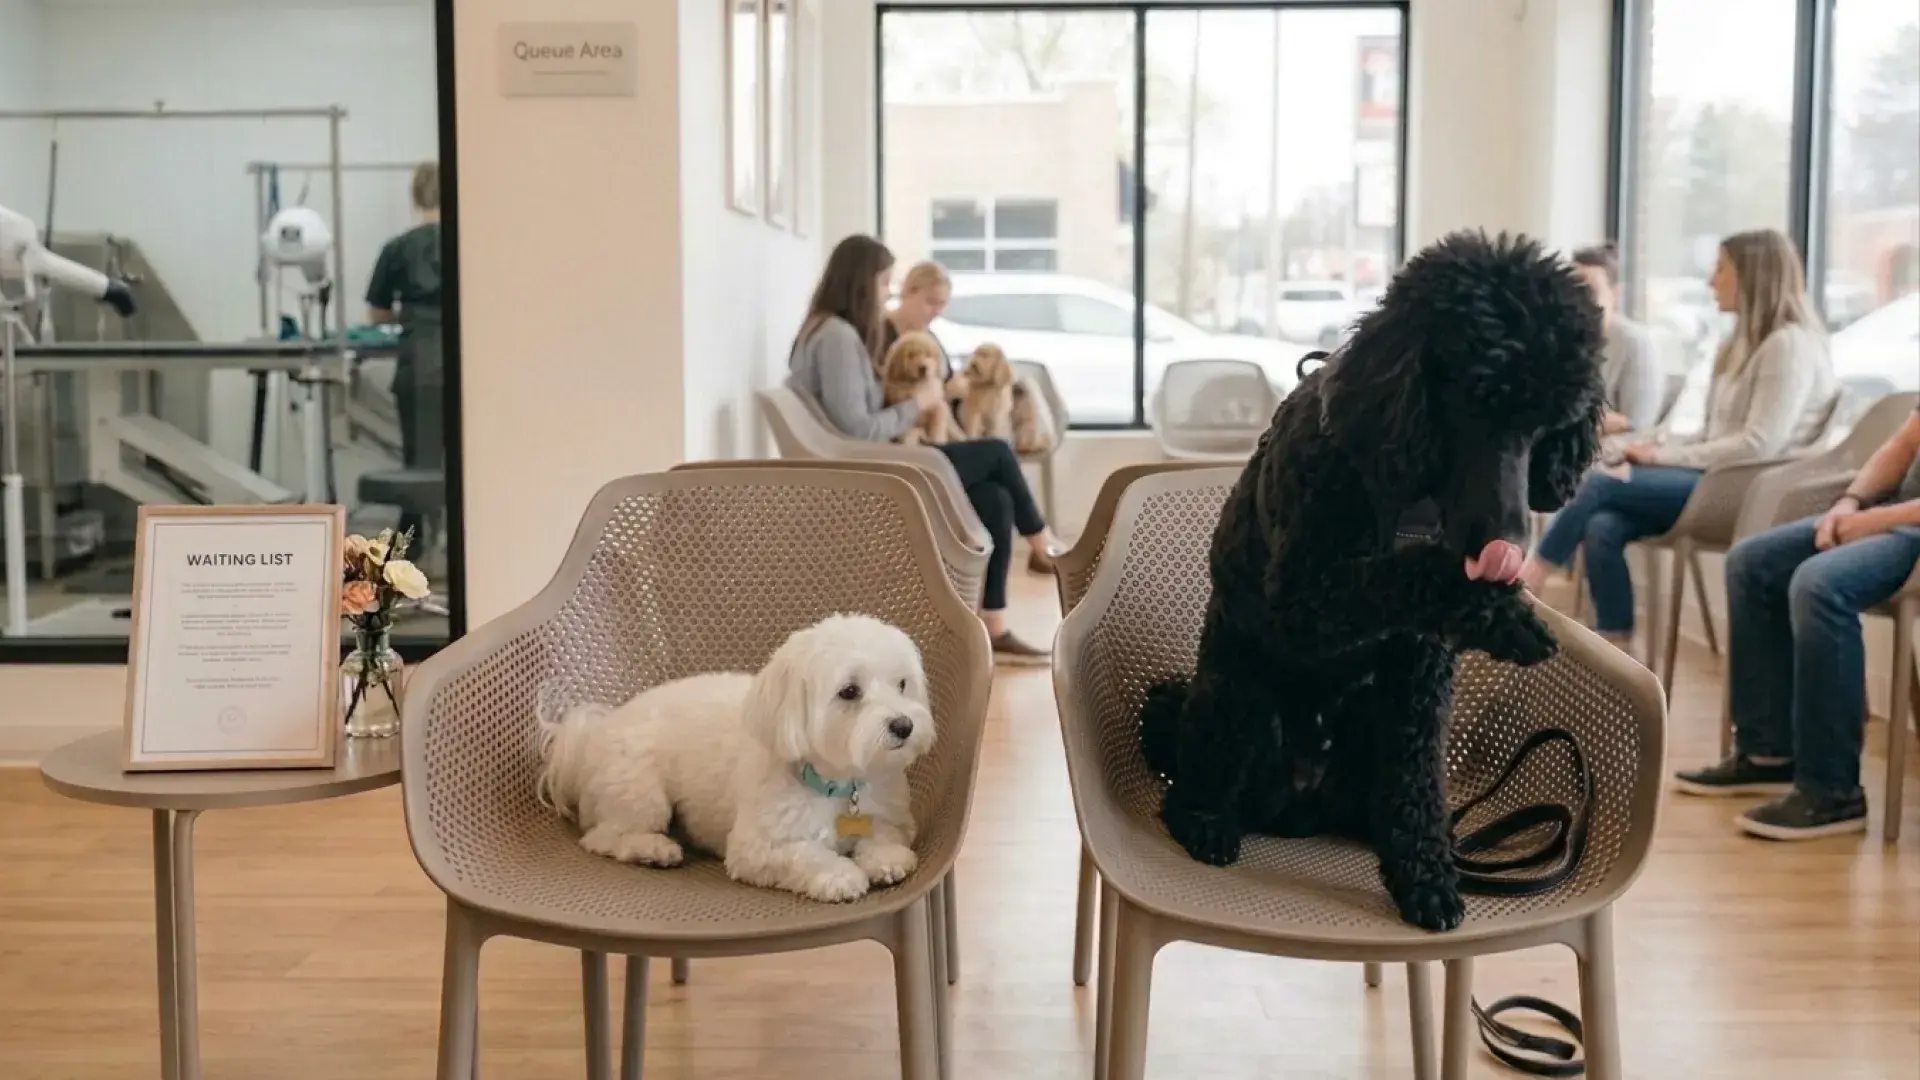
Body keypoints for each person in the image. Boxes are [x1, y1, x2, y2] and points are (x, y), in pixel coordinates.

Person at [1520, 229, 1837, 646]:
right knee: (1602, 524)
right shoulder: (1740, 346)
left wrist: (1662, 459)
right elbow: (1713, 435)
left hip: (1744, 491)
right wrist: (1661, 452)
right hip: (1713, 480)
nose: (1711, 282)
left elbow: (1757, 445)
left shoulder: (1788, 346)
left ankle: (1527, 583)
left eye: (1721, 269)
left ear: (1753, 274)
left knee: (1602, 483)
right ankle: (1616, 646)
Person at [787, 236, 1058, 665]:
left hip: (885, 456)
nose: (885, 293)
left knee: (997, 498)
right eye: (882, 283)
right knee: (998, 454)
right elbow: (859, 427)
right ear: (861, 283)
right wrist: (922, 403)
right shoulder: (837, 337)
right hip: (878, 466)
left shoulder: (830, 332)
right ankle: (1046, 548)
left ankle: (994, 628)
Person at [1673, 404, 1920, 839]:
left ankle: (1833, 792)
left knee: (1819, 583)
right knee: (1752, 563)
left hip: (1908, 528)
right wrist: (1849, 502)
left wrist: (1872, 520)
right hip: (1891, 515)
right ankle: (1770, 753)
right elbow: (1903, 443)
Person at [366, 162, 445, 545]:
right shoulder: (471, 244)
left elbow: (377, 313)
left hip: (417, 364)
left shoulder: (397, 248)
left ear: (414, 196)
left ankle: (412, 553)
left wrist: (411, 316)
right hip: (465, 367)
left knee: (418, 463)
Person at [1570, 243, 1664, 435]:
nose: (1577, 300)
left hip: (1609, 456)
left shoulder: (1637, 345)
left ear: (1615, 294)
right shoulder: (1556, 339)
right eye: (1571, 290)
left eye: (1590, 291)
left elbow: (1639, 426)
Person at [884, 259, 971, 412]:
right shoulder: (881, 334)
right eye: (931, 302)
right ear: (908, 292)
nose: (937, 311)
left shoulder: (930, 339)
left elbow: (950, 381)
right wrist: (943, 393)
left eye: (942, 304)